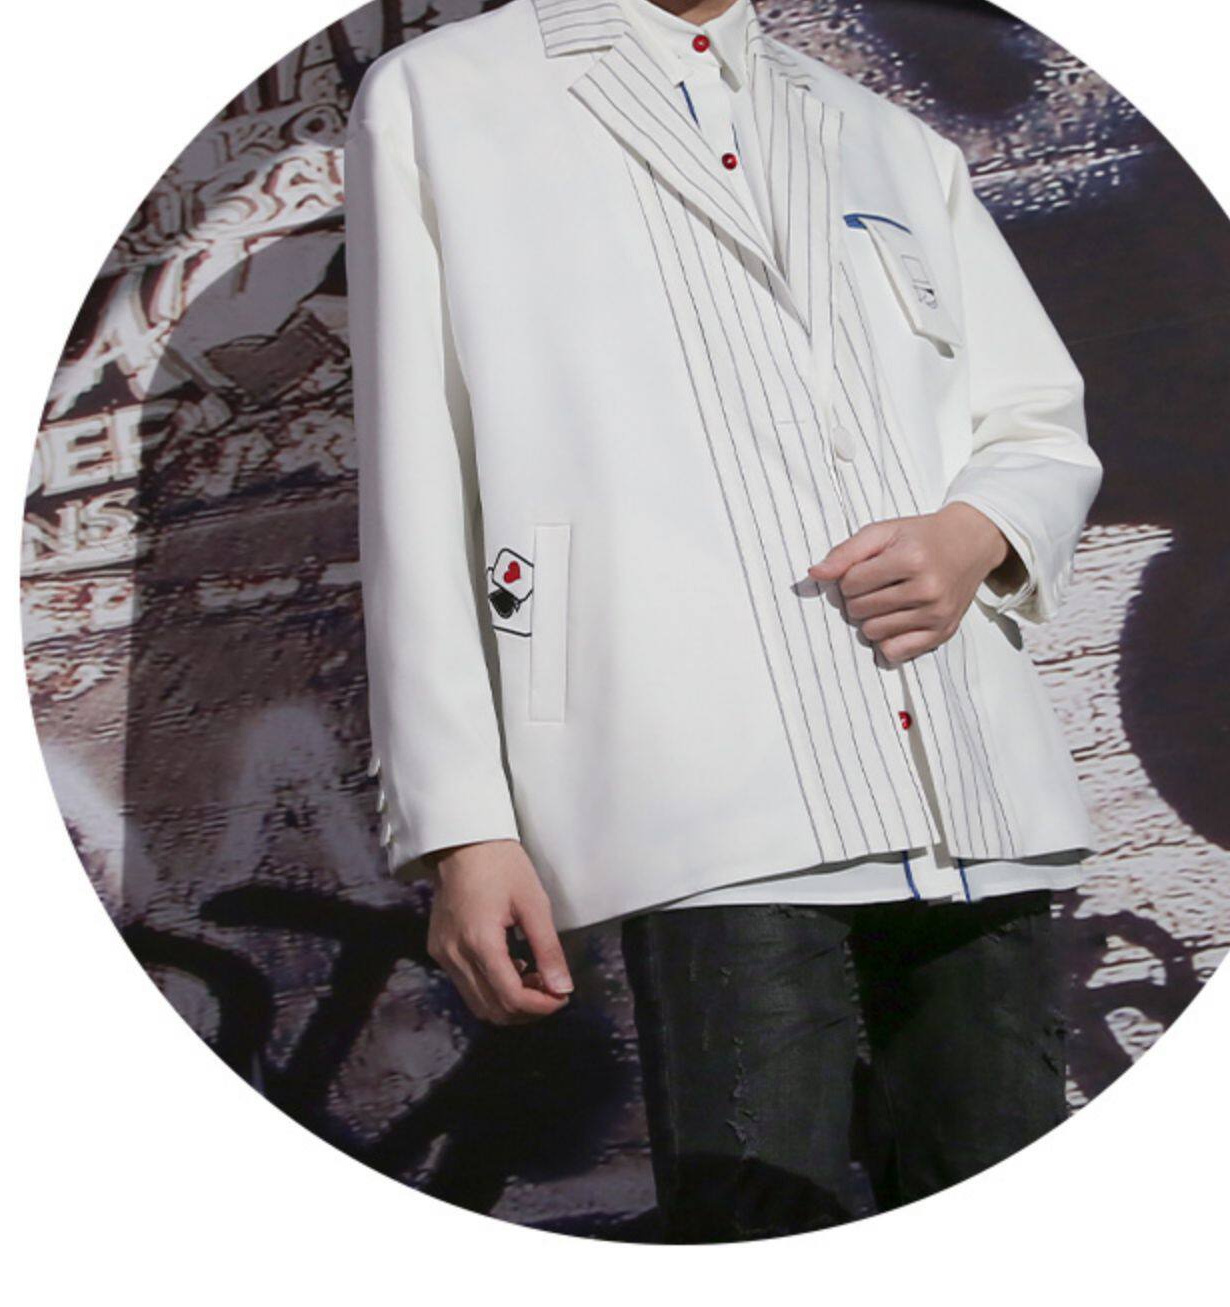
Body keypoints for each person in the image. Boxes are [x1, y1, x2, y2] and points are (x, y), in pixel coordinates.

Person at [344, 0, 1103, 1241]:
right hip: (701, 790)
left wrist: (976, 534)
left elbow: (1036, 423)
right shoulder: (447, 97)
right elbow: (416, 480)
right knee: (755, 1222)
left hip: (968, 784)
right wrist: (461, 825)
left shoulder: (882, 136)